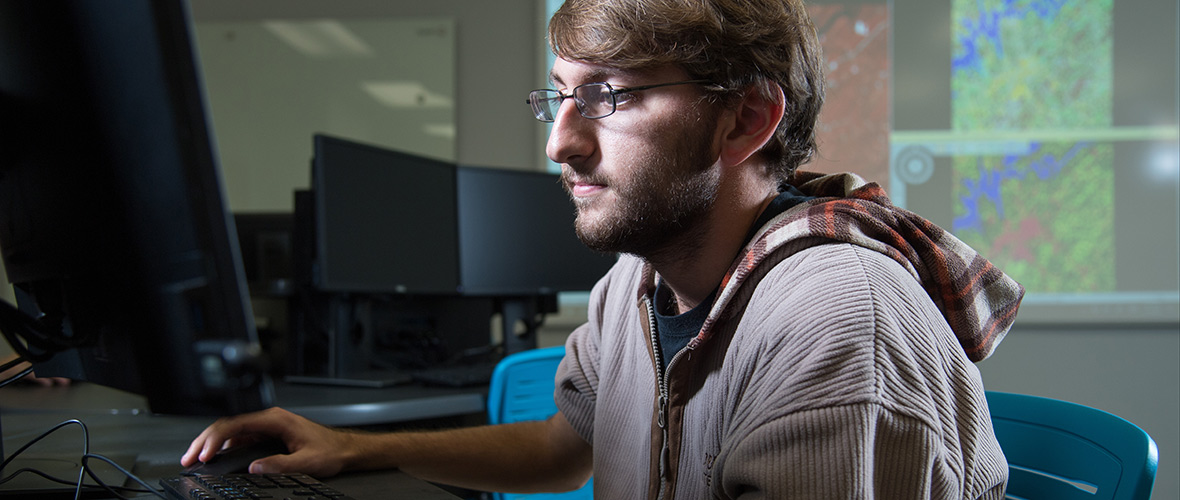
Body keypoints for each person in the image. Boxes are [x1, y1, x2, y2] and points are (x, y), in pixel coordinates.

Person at [184, 0, 1025, 497]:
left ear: (746, 120)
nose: (558, 143)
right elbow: (564, 443)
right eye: (557, 97)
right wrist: (358, 449)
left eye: (609, 96)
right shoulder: (638, 279)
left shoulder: (838, 324)